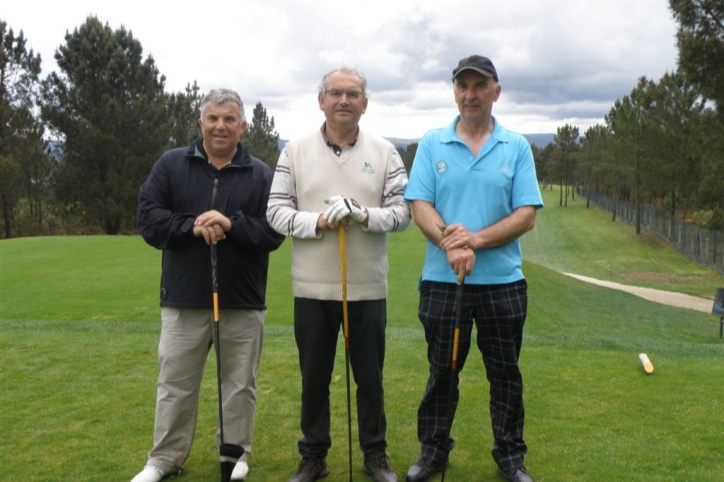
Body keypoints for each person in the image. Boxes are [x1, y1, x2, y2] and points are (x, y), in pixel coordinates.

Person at [403, 55, 543, 482]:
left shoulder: (515, 146)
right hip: (444, 282)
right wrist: (450, 241)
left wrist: (474, 241)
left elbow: (526, 214)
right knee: (442, 371)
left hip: (503, 283)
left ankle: (510, 456)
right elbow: (419, 204)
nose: (471, 94)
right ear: (455, 92)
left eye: (480, 86)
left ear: (495, 92)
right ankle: (433, 452)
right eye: (463, 86)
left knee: (505, 374)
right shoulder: (432, 143)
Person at [266, 66, 411, 482]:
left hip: (366, 288)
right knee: (313, 377)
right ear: (321, 100)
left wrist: (364, 215)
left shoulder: (386, 152)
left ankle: (375, 454)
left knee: (370, 378)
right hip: (311, 287)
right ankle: (313, 455)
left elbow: (403, 214)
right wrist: (319, 223)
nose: (343, 100)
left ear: (365, 103)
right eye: (335, 93)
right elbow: (276, 212)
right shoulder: (294, 151)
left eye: (352, 94)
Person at [133, 88, 285, 482]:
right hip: (184, 298)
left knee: (239, 386)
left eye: (229, 119)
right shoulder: (171, 165)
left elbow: (274, 231)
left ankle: (233, 457)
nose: (220, 126)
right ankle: (164, 459)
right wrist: (193, 226)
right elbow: (149, 219)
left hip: (242, 300)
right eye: (213, 118)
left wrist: (231, 225)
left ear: (242, 125)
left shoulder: (261, 174)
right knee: (175, 384)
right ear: (200, 122)